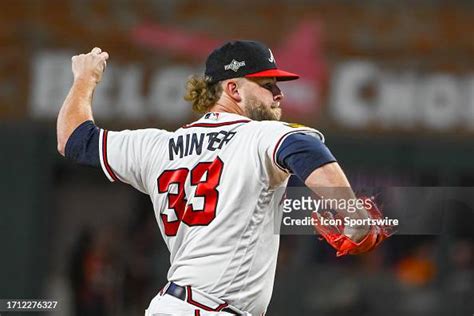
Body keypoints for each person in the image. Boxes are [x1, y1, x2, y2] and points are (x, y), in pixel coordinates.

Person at [57, 40, 390, 316]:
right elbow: (303, 147)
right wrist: (355, 219)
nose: (279, 94)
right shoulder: (259, 136)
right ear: (233, 88)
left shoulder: (156, 146)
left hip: (175, 305)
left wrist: (85, 80)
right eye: (267, 84)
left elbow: (73, 139)